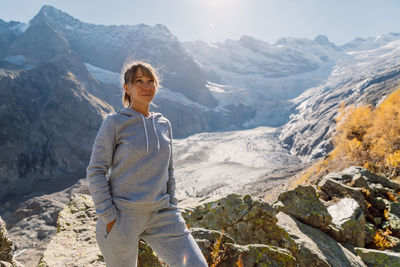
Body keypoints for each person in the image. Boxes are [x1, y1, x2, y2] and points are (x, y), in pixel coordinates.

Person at [86, 61, 208, 267]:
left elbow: (169, 170)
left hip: (162, 214)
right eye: (139, 81)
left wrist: (173, 207)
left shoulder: (163, 124)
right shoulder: (114, 123)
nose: (146, 86)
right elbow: (96, 170)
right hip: (123, 217)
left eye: (150, 81)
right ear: (127, 88)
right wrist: (109, 217)